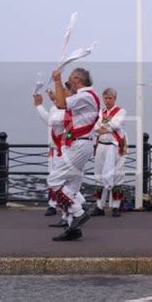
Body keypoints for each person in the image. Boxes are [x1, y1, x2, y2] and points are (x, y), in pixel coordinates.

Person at [48, 67, 100, 241]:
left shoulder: (86, 96)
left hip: (79, 144)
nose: (68, 82)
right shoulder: (85, 96)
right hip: (78, 144)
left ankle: (78, 213)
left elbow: (62, 104)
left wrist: (57, 80)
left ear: (77, 79)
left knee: (54, 180)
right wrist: (55, 95)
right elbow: (62, 102)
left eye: (70, 79)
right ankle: (73, 229)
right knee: (70, 187)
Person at [34, 88, 86, 227]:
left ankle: (78, 208)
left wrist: (40, 105)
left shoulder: (69, 110)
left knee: (60, 183)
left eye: (63, 91)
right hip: (58, 149)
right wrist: (53, 102)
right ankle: (69, 217)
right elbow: (51, 120)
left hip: (66, 150)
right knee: (66, 184)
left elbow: (54, 121)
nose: (60, 93)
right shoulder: (57, 108)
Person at [90, 88, 128, 218]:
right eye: (105, 98)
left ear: (114, 98)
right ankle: (99, 206)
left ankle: (115, 206)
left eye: (110, 98)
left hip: (115, 146)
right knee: (99, 175)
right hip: (101, 146)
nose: (107, 101)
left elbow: (116, 125)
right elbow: (95, 127)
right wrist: (105, 127)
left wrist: (103, 126)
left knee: (117, 175)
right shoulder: (100, 112)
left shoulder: (121, 111)